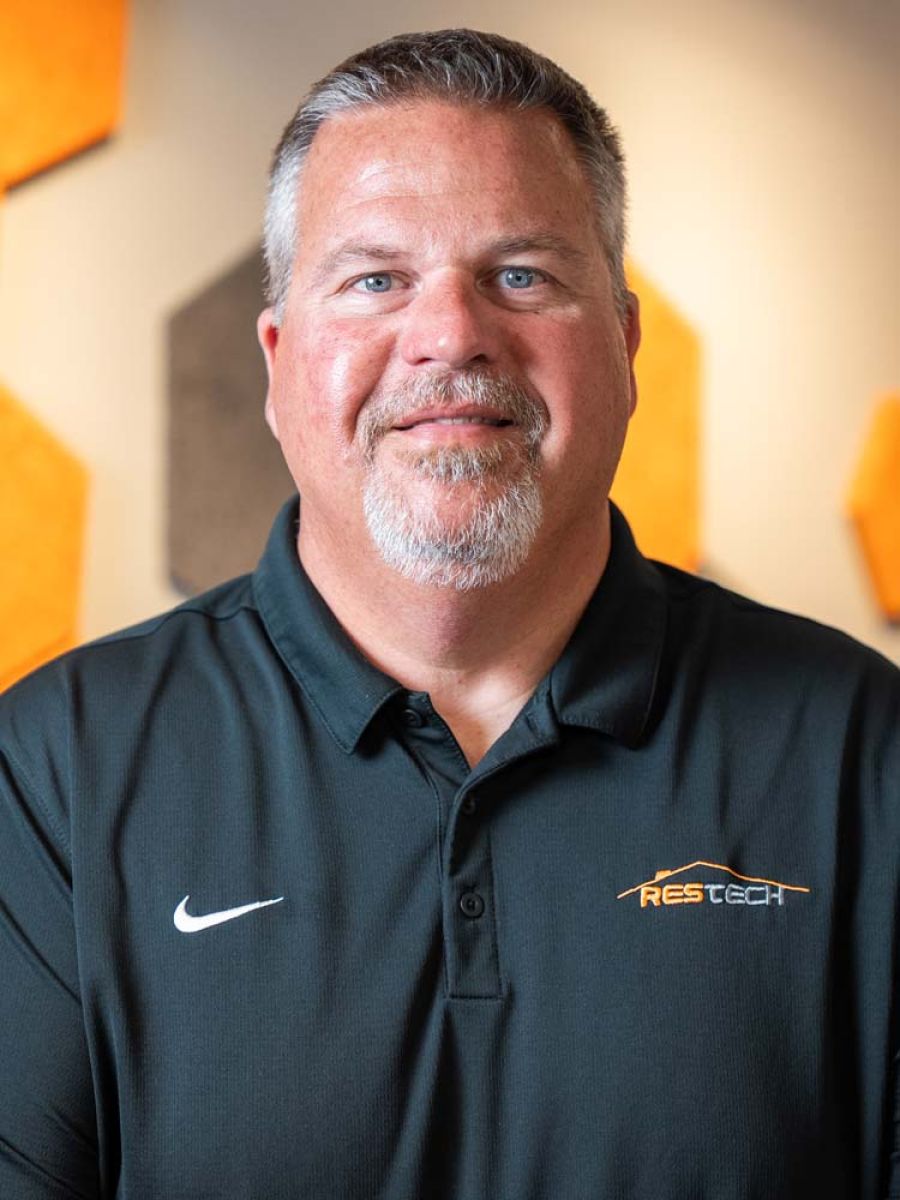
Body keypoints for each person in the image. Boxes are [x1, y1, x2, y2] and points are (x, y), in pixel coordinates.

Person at [0, 27, 897, 1200]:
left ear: (626, 346)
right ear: (277, 360)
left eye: (520, 274)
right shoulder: (56, 772)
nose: (451, 335)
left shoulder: (864, 752)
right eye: (376, 280)